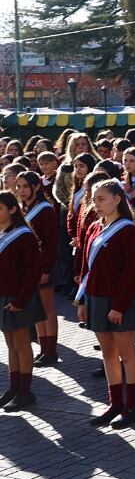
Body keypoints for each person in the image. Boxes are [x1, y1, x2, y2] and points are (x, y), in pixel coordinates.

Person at [76, 181, 135, 428]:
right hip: (96, 297)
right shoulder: (94, 227)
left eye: (102, 199)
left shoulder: (128, 230)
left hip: (120, 300)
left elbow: (131, 271)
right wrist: (82, 300)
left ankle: (132, 406)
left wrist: (119, 305)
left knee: (127, 354)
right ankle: (114, 403)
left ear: (118, 199)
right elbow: (87, 268)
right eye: (94, 199)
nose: (97, 204)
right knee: (108, 354)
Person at [0, 191, 44, 412]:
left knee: (21, 343)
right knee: (10, 344)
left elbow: (33, 270)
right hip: (2, 295)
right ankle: (14, 387)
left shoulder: (23, 234)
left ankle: (25, 391)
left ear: (12, 210)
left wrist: (20, 299)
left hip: (18, 296)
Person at [16, 172, 61, 367]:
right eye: (18, 187)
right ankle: (43, 349)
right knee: (36, 310)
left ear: (36, 187)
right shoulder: (24, 209)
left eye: (25, 186)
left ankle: (51, 351)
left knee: (48, 308)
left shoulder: (45, 209)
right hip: (29, 269)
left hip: (44, 267)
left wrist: (45, 269)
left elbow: (51, 242)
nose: (21, 191)